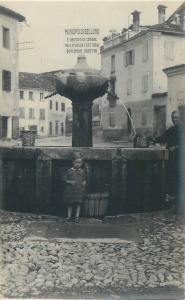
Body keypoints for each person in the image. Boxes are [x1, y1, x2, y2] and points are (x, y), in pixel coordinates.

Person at [153, 110, 180, 203]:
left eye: (176, 117)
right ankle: (172, 196)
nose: (174, 119)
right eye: (173, 118)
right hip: (171, 157)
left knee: (177, 176)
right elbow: (163, 138)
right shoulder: (171, 130)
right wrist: (153, 140)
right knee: (170, 175)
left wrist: (176, 147)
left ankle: (177, 197)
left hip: (180, 158)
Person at [63, 152, 86, 222]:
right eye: (76, 162)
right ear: (73, 162)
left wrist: (84, 182)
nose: (78, 164)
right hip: (71, 190)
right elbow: (64, 179)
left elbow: (84, 179)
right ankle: (69, 216)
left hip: (79, 190)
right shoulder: (69, 171)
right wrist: (70, 182)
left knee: (78, 203)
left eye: (79, 163)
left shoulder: (82, 171)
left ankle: (77, 217)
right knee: (70, 204)